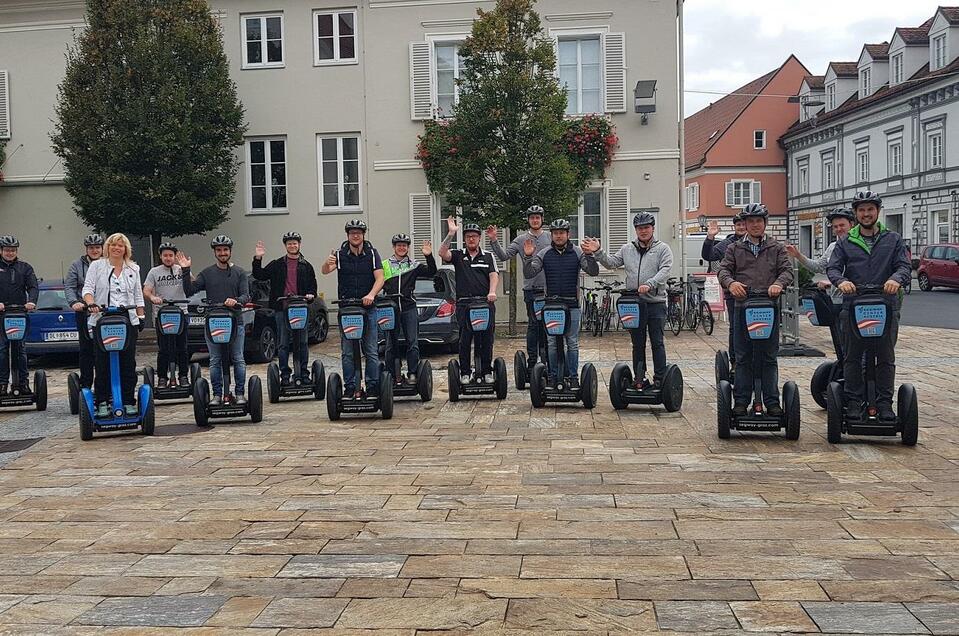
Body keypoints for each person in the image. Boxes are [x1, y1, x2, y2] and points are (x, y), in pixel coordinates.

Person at [827, 191, 911, 423]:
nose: (866, 214)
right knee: (853, 357)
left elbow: (904, 266)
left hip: (886, 305)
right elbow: (833, 268)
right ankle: (854, 402)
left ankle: (884, 404)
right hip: (854, 305)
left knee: (885, 357)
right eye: (862, 210)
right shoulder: (845, 241)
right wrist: (842, 281)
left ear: (877, 211)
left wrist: (896, 279)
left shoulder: (892, 239)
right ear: (856, 214)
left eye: (870, 209)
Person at [717, 204, 793, 417]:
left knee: (769, 356)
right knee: (743, 357)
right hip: (743, 307)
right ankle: (741, 401)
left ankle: (772, 402)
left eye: (759, 221)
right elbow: (723, 270)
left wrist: (779, 284)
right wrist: (731, 284)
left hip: (768, 307)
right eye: (751, 221)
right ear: (746, 224)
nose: (755, 225)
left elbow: (787, 271)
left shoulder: (776, 248)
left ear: (765, 223)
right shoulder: (734, 248)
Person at [591, 212, 673, 390]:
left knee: (657, 341)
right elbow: (612, 263)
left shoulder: (662, 249)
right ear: (635, 230)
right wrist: (598, 252)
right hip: (635, 304)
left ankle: (660, 378)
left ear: (652, 228)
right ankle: (639, 377)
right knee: (638, 343)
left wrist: (650, 284)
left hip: (655, 303)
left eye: (646, 227)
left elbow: (665, 270)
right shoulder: (627, 249)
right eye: (639, 228)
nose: (643, 231)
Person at [523, 219, 598, 388]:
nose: (558, 236)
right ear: (552, 235)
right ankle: (552, 376)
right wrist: (528, 257)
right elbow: (529, 273)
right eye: (555, 233)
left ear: (568, 234)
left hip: (572, 305)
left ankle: (573, 377)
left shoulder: (578, 252)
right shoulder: (544, 253)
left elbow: (593, 271)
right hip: (551, 306)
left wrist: (590, 255)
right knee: (551, 342)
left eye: (561, 233)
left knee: (572, 342)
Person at [178, 235, 251, 406]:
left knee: (238, 358)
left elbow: (246, 295)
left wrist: (237, 301)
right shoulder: (207, 273)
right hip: (213, 323)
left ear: (230, 251)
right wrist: (185, 270)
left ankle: (239, 394)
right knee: (215, 360)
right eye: (219, 250)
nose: (222, 253)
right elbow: (189, 291)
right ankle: (217, 395)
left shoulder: (239, 273)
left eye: (225, 250)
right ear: (215, 252)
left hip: (235, 322)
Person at [81, 233, 146, 417]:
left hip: (127, 319)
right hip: (102, 319)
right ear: (107, 247)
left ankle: (128, 401)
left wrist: (141, 317)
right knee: (102, 364)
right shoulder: (97, 266)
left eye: (121, 246)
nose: (117, 248)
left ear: (126, 249)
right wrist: (91, 303)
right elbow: (87, 289)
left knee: (128, 363)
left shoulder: (133, 268)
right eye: (114, 245)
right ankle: (102, 401)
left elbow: (138, 296)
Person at [320, 219, 385, 398]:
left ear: (363, 234)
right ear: (348, 235)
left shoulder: (372, 254)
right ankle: (350, 387)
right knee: (348, 351)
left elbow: (380, 278)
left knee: (371, 350)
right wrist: (327, 263)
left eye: (358, 232)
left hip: (369, 308)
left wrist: (371, 295)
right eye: (352, 233)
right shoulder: (340, 254)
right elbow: (325, 270)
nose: (355, 235)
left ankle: (372, 386)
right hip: (347, 308)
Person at [487, 205, 552, 373]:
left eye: (538, 217)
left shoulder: (551, 237)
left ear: (542, 219)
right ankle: (532, 362)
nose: (535, 220)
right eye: (532, 218)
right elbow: (503, 256)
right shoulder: (521, 239)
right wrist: (494, 240)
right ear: (528, 220)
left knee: (548, 325)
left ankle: (547, 360)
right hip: (531, 289)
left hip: (549, 289)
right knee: (533, 325)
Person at [252, 231, 318, 385]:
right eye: (289, 243)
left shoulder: (306, 266)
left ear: (299, 245)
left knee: (302, 342)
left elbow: (313, 288)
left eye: (295, 243)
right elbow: (259, 275)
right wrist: (258, 258)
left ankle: (303, 374)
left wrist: (310, 295)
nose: (292, 245)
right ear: (285, 246)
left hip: (300, 309)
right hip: (282, 309)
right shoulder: (278, 264)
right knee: (283, 343)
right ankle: (285, 375)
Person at [438, 217, 499, 383]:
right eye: (468, 236)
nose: (471, 239)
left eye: (474, 236)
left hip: (485, 303)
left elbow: (494, 276)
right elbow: (442, 253)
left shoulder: (488, 256)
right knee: (465, 339)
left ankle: (487, 371)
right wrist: (451, 233)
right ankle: (465, 372)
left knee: (486, 339)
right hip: (465, 304)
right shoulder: (458, 255)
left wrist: (492, 292)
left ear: (479, 238)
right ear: (464, 239)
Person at [382, 233, 436, 384]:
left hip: (408, 307)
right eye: (399, 245)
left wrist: (429, 256)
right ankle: (392, 374)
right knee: (390, 344)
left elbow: (432, 272)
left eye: (404, 246)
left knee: (412, 342)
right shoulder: (384, 264)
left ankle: (413, 372)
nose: (401, 248)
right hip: (390, 309)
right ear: (394, 247)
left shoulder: (413, 265)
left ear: (408, 248)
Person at [786, 208, 855, 320]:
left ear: (851, 224)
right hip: (836, 300)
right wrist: (798, 255)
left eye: (842, 225)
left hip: (855, 300)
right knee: (838, 335)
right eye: (835, 226)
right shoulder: (832, 247)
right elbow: (818, 267)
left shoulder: (859, 246)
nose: (838, 229)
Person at [143, 242, 190, 388]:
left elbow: (192, 285)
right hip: (162, 315)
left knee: (181, 347)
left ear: (175, 256)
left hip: (181, 312)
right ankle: (162, 377)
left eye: (171, 255)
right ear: (160, 256)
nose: (168, 258)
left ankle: (183, 376)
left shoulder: (180, 269)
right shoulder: (154, 272)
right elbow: (146, 290)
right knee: (164, 348)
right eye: (165, 255)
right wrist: (152, 298)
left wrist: (186, 269)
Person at [702, 213, 746, 364]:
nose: (741, 227)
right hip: (733, 293)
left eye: (743, 224)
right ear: (734, 227)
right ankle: (735, 361)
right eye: (738, 225)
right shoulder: (728, 243)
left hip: (755, 293)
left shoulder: (759, 243)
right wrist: (710, 238)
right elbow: (709, 255)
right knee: (736, 327)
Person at [0, 235, 39, 396]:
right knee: (2, 350)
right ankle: (2, 384)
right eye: (7, 250)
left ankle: (23, 384)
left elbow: (33, 287)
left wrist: (31, 302)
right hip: (2, 314)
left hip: (20, 314)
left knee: (21, 350)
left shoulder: (25, 267)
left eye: (13, 250)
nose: (10, 253)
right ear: (1, 250)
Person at [65, 234, 104, 391]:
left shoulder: (107, 264)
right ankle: (86, 384)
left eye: (97, 247)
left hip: (103, 313)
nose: (94, 250)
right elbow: (69, 286)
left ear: (102, 249)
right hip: (84, 312)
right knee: (86, 350)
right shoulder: (76, 265)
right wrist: (74, 302)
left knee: (103, 349)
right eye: (91, 248)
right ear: (86, 249)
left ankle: (104, 384)